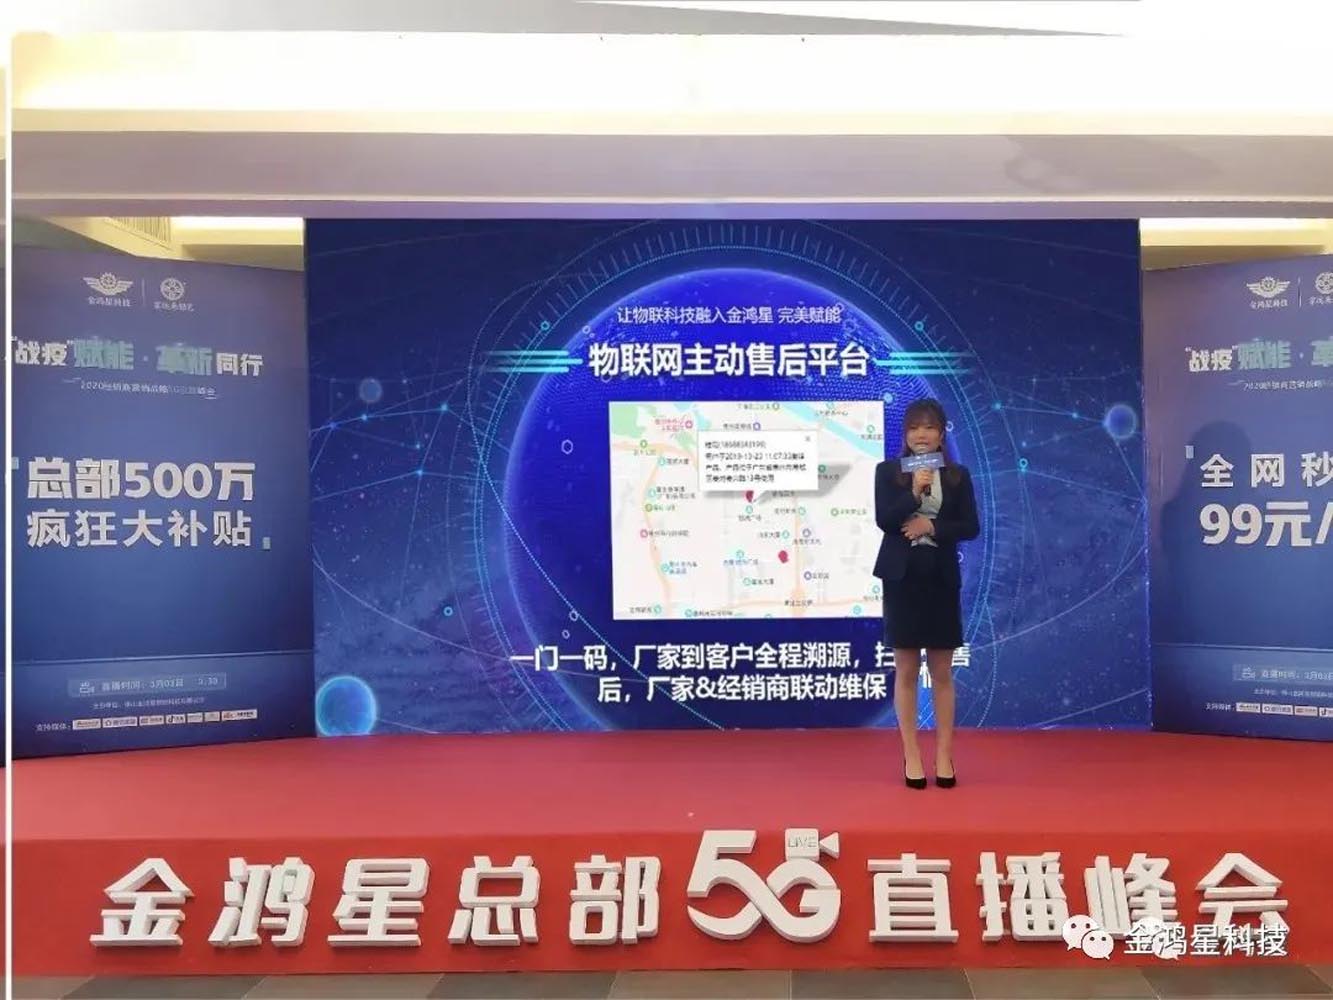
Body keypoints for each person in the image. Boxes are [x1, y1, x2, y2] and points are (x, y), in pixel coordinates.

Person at [873, 398, 980, 789]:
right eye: (914, 428)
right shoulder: (888, 472)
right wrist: (914, 495)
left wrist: (931, 527)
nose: (921, 434)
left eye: (929, 427)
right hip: (902, 580)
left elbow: (970, 526)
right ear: (906, 435)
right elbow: (885, 519)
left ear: (941, 434)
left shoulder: (957, 476)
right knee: (905, 669)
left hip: (940, 579)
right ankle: (912, 754)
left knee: (941, 672)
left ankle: (945, 755)